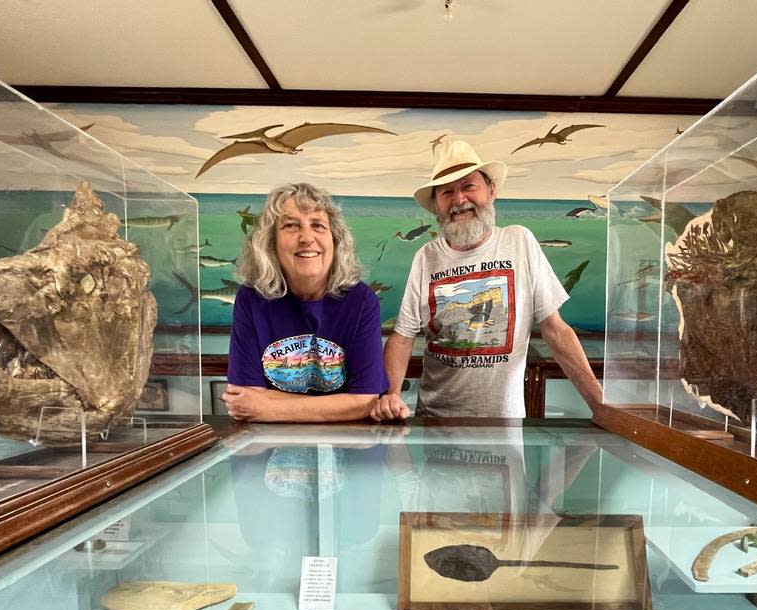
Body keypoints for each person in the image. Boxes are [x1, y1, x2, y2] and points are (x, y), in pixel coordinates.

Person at [370, 140, 602, 420]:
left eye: (468, 186)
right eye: (447, 192)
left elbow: (555, 330)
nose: (459, 200)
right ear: (436, 206)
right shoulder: (426, 256)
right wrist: (391, 395)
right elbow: (403, 337)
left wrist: (599, 404)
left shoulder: (520, 241)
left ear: (491, 190)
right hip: (434, 425)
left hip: (503, 426)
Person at [223, 182, 389, 421]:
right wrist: (338, 405)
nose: (306, 238)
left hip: (347, 443)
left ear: (335, 240)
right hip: (271, 444)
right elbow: (242, 396)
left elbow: (363, 400)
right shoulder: (252, 298)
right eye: (291, 226)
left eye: (318, 225)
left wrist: (268, 408)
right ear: (271, 243)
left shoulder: (361, 300)